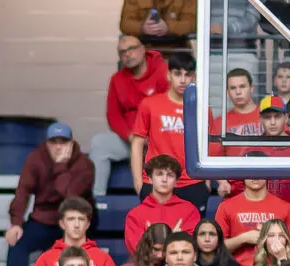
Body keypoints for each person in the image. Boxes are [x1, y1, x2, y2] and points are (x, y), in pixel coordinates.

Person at [0, 125, 95, 266]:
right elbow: (22, 192)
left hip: (74, 220)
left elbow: (71, 197)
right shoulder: (36, 158)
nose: (58, 147)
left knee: (74, 238)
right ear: (46, 144)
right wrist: (16, 223)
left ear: (71, 143)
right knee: (19, 240)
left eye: (63, 142)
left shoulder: (84, 164)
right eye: (53, 142)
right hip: (44, 217)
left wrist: (61, 166)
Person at [131, 52, 210, 214]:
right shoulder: (150, 104)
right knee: (156, 235)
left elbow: (208, 145)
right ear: (169, 75)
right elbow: (137, 143)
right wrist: (139, 183)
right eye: (177, 74)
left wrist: (206, 182)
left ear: (194, 77)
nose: (182, 80)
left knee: (191, 237)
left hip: (192, 182)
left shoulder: (202, 108)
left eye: (188, 75)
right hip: (156, 181)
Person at [90, 36, 168, 197]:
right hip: (131, 140)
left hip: (161, 140)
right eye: (122, 52)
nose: (127, 54)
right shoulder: (117, 79)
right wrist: (131, 137)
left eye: (131, 49)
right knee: (99, 143)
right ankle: (98, 200)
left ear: (143, 49)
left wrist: (152, 136)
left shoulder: (162, 72)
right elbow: (113, 115)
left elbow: (170, 107)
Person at [215, 174, 290, 266]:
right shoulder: (226, 207)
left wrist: (270, 238)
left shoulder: (285, 207)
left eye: (259, 172)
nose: (254, 176)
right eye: (250, 172)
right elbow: (215, 249)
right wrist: (243, 238)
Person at [124, 154, 200, 254]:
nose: (164, 179)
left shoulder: (190, 211)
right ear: (150, 179)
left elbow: (190, 248)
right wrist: (173, 237)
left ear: (176, 181)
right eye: (159, 174)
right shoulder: (135, 214)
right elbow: (136, 250)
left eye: (170, 175)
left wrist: (151, 241)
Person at [119, 0, 196, 52]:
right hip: (144, 53)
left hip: (177, 52)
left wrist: (168, 27)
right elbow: (125, 24)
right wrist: (142, 27)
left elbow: (194, 24)